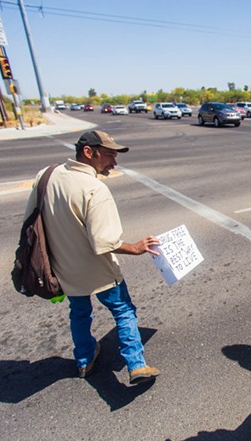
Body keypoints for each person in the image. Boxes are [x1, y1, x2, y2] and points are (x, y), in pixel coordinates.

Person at [23, 130, 161, 385]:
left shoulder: (47, 175)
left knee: (79, 312)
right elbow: (105, 242)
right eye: (109, 155)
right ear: (89, 152)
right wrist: (136, 247)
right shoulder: (94, 189)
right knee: (124, 311)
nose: (114, 162)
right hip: (99, 271)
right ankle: (136, 364)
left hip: (64, 268)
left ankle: (85, 359)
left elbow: (30, 219)